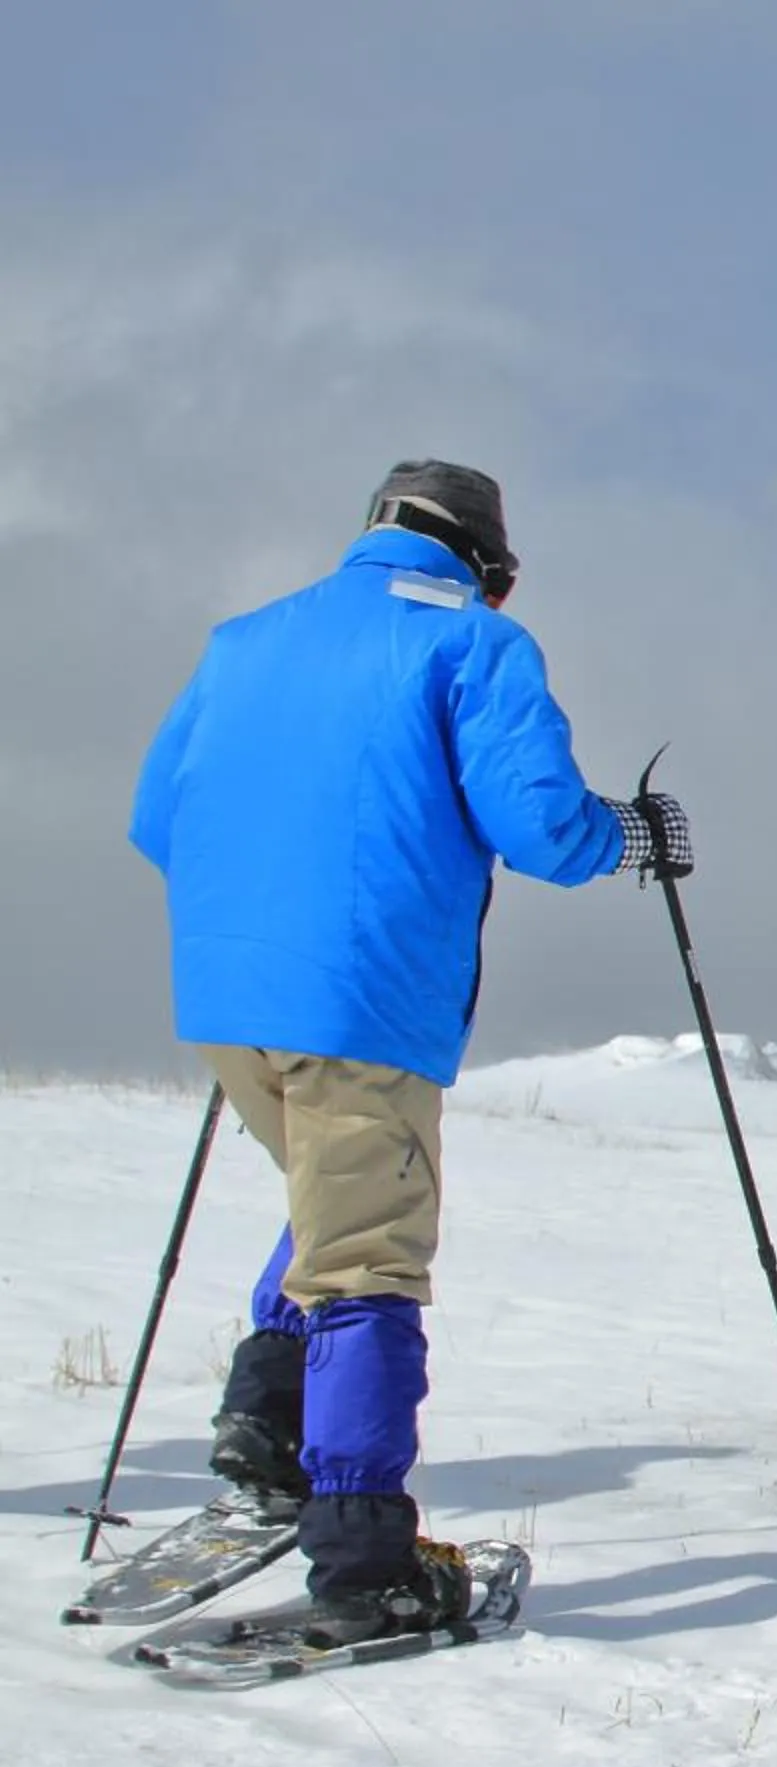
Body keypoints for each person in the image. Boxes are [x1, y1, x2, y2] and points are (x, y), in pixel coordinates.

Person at [129, 459, 690, 1646]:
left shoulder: (248, 637)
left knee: (332, 1204)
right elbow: (539, 826)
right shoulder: (474, 643)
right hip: (361, 993)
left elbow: (153, 813)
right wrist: (632, 837)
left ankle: (267, 1423)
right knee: (371, 1257)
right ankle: (361, 1551)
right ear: (484, 558)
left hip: (227, 990)